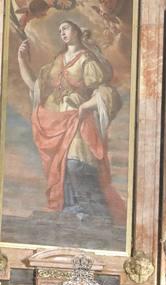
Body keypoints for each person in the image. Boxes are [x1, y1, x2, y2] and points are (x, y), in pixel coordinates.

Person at [17, 20, 125, 224]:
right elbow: (35, 87)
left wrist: (85, 106)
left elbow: (105, 92)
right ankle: (70, 209)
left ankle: (91, 211)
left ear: (76, 30)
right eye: (59, 30)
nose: (62, 33)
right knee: (61, 166)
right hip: (56, 121)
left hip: (78, 120)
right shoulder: (57, 60)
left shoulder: (86, 60)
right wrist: (21, 59)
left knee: (76, 163)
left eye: (65, 28)